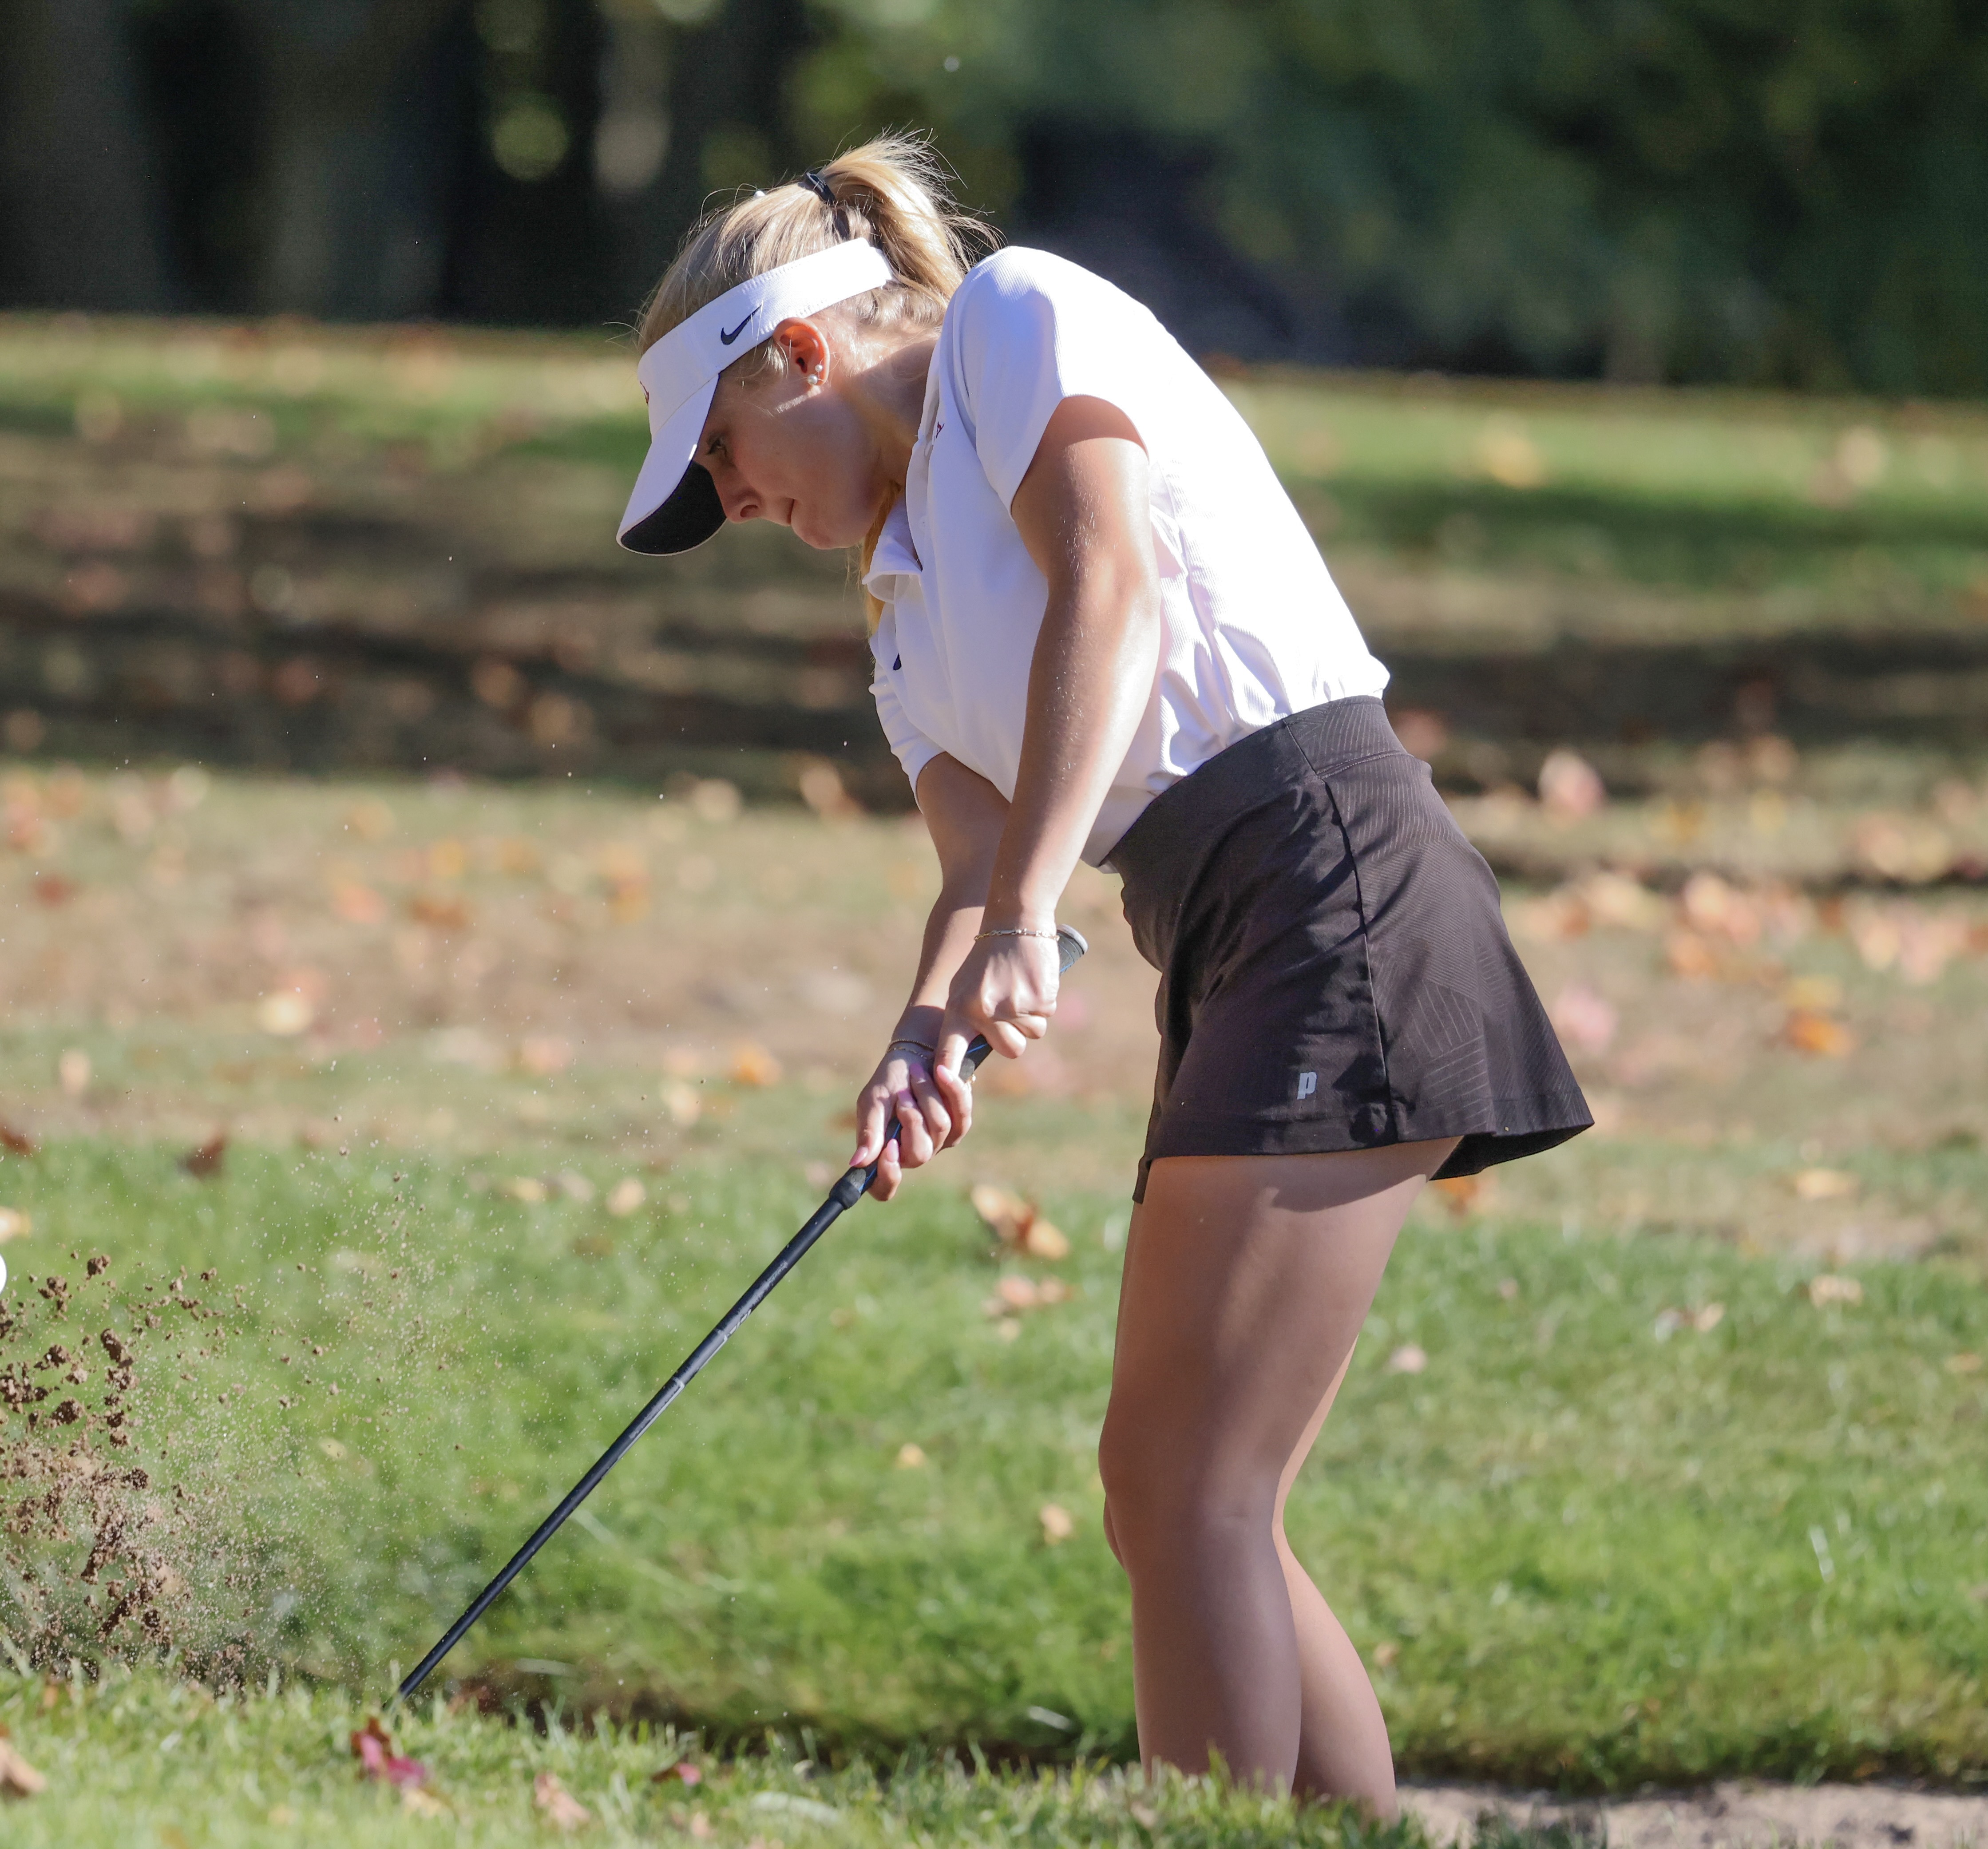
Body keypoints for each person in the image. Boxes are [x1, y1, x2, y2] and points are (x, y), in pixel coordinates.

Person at [616, 135, 1591, 1809]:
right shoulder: (904, 608)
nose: (734, 501)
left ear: (802, 352)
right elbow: (977, 866)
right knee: (1175, 1494)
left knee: (1186, 1479)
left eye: (724, 453)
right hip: (1232, 931)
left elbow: (1114, 585)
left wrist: (1024, 921)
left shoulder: (1014, 323)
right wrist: (922, 1033)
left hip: (1334, 873)